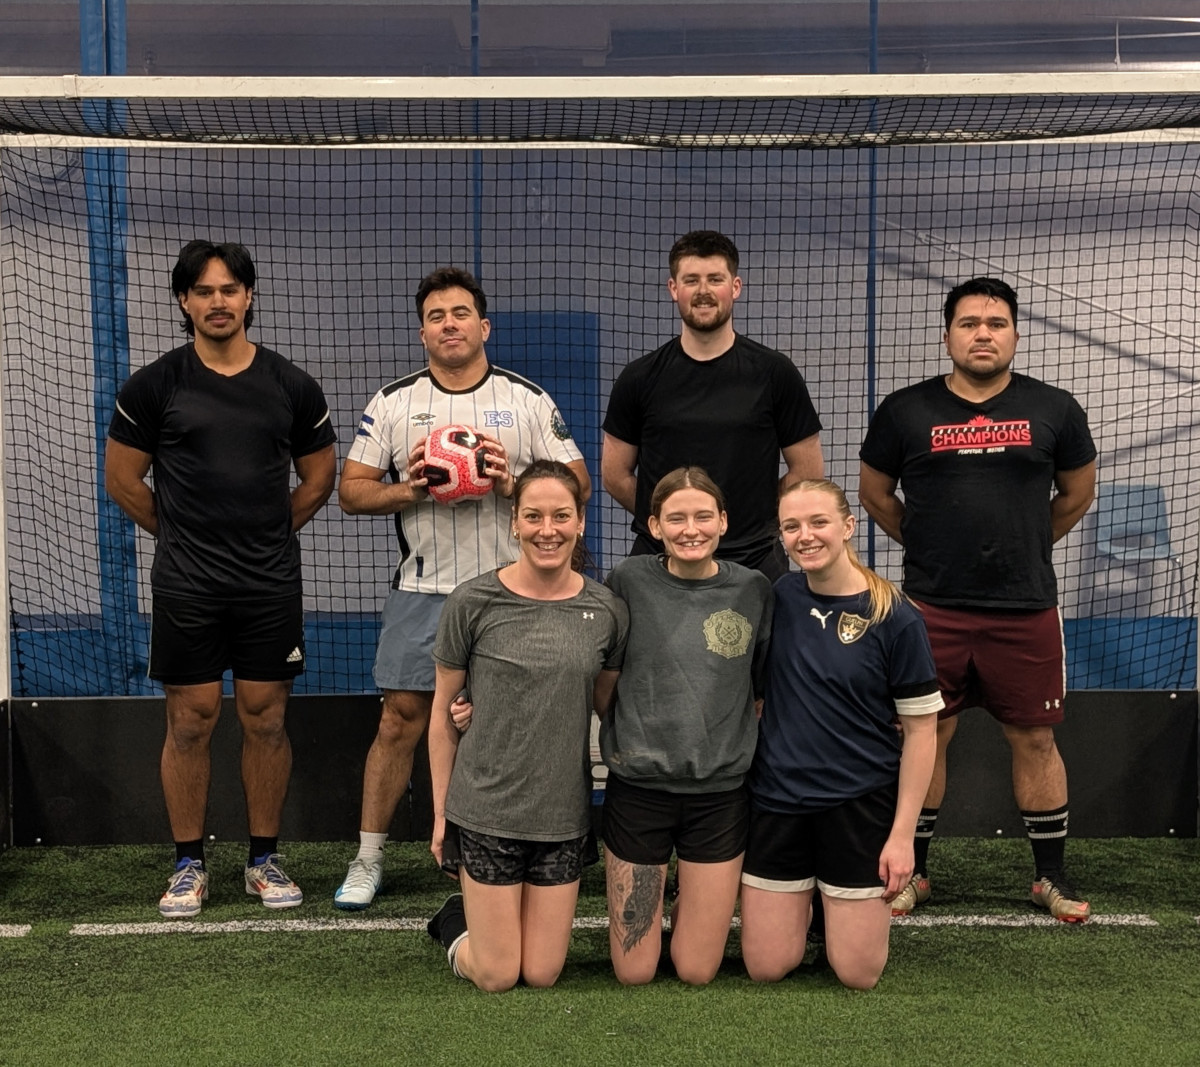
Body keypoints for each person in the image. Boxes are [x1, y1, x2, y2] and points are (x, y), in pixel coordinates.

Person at [334, 267, 590, 909]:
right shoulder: (394, 402)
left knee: (516, 722)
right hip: (423, 588)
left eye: (460, 313)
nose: (449, 324)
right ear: (422, 332)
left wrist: (511, 486)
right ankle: (368, 859)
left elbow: (579, 485)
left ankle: (515, 848)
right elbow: (352, 492)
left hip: (513, 594)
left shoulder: (526, 400)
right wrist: (412, 488)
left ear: (484, 326)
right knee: (400, 719)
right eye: (436, 316)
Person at [104, 240, 337, 917]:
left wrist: (266, 533)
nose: (217, 302)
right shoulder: (153, 386)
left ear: (249, 296)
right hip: (187, 587)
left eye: (229, 289)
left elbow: (319, 477)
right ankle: (188, 865)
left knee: (266, 718)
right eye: (203, 291)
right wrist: (183, 536)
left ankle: (264, 859)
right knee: (191, 720)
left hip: (268, 585)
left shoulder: (292, 385)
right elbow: (123, 480)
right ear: (183, 301)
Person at [859, 276, 1097, 922]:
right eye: (969, 323)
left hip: (1026, 607)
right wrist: (928, 541)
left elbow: (1077, 492)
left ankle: (1049, 877)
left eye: (996, 323)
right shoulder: (904, 410)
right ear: (948, 336)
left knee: (1035, 738)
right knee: (927, 733)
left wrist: (1026, 542)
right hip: (930, 608)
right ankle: (914, 873)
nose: (983, 334)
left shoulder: (1056, 408)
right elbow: (875, 493)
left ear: (1015, 334)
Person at [425, 461, 628, 991]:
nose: (547, 530)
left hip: (562, 816)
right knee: (496, 975)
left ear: (580, 522)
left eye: (561, 515)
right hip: (486, 810)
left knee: (541, 974)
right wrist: (442, 815)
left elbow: (609, 707)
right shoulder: (472, 602)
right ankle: (454, 921)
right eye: (533, 516)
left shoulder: (606, 610)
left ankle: (474, 910)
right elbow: (443, 714)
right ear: (514, 521)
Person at [740, 480, 941, 989]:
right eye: (791, 526)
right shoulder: (779, 597)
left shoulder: (895, 616)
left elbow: (922, 733)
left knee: (857, 974)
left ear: (848, 526)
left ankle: (829, 906)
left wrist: (902, 838)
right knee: (766, 968)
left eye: (818, 522)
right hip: (779, 803)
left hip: (859, 806)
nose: (805, 536)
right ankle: (809, 905)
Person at [601, 467, 772, 985]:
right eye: (676, 518)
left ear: (723, 522)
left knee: (696, 970)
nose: (690, 529)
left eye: (703, 516)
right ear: (655, 526)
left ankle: (690, 912)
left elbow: (759, 689)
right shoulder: (628, 581)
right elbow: (604, 679)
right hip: (640, 792)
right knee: (635, 972)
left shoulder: (754, 589)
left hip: (719, 797)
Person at [601, 230, 823, 582]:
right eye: (691, 280)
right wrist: (672, 524)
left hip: (753, 560)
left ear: (735, 287)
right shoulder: (639, 378)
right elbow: (615, 475)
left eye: (715, 279)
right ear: (673, 288)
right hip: (659, 561)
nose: (703, 291)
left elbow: (807, 470)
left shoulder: (775, 373)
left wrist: (755, 517)